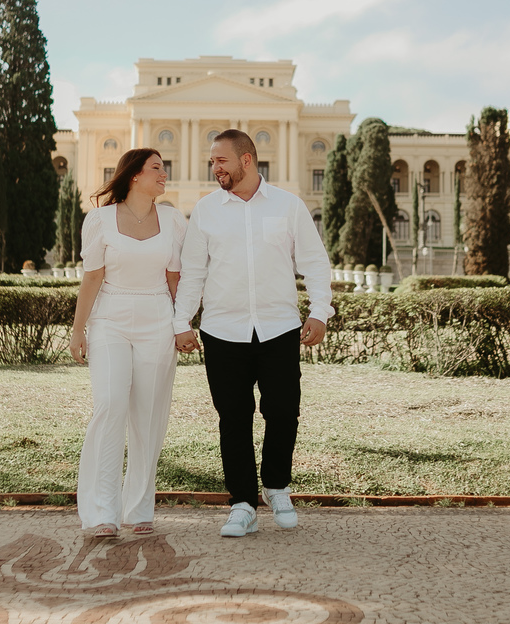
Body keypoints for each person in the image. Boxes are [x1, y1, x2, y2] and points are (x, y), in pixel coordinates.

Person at [173, 129, 333, 538]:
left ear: (246, 160)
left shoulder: (288, 205)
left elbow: (314, 262)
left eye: (220, 160)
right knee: (234, 419)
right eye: (212, 161)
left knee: (283, 411)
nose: (214, 168)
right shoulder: (206, 210)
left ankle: (276, 486)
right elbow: (193, 272)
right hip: (222, 331)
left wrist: (320, 311)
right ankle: (242, 503)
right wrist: (181, 321)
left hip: (280, 328)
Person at [69, 148, 186, 539]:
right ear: (134, 174)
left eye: (164, 168)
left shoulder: (173, 219)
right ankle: (102, 511)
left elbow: (175, 279)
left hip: (158, 320)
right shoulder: (100, 219)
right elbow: (92, 278)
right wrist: (78, 330)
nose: (164, 174)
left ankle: (138, 509)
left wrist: (182, 324)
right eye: (157, 168)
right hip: (110, 320)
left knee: (149, 415)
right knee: (110, 404)